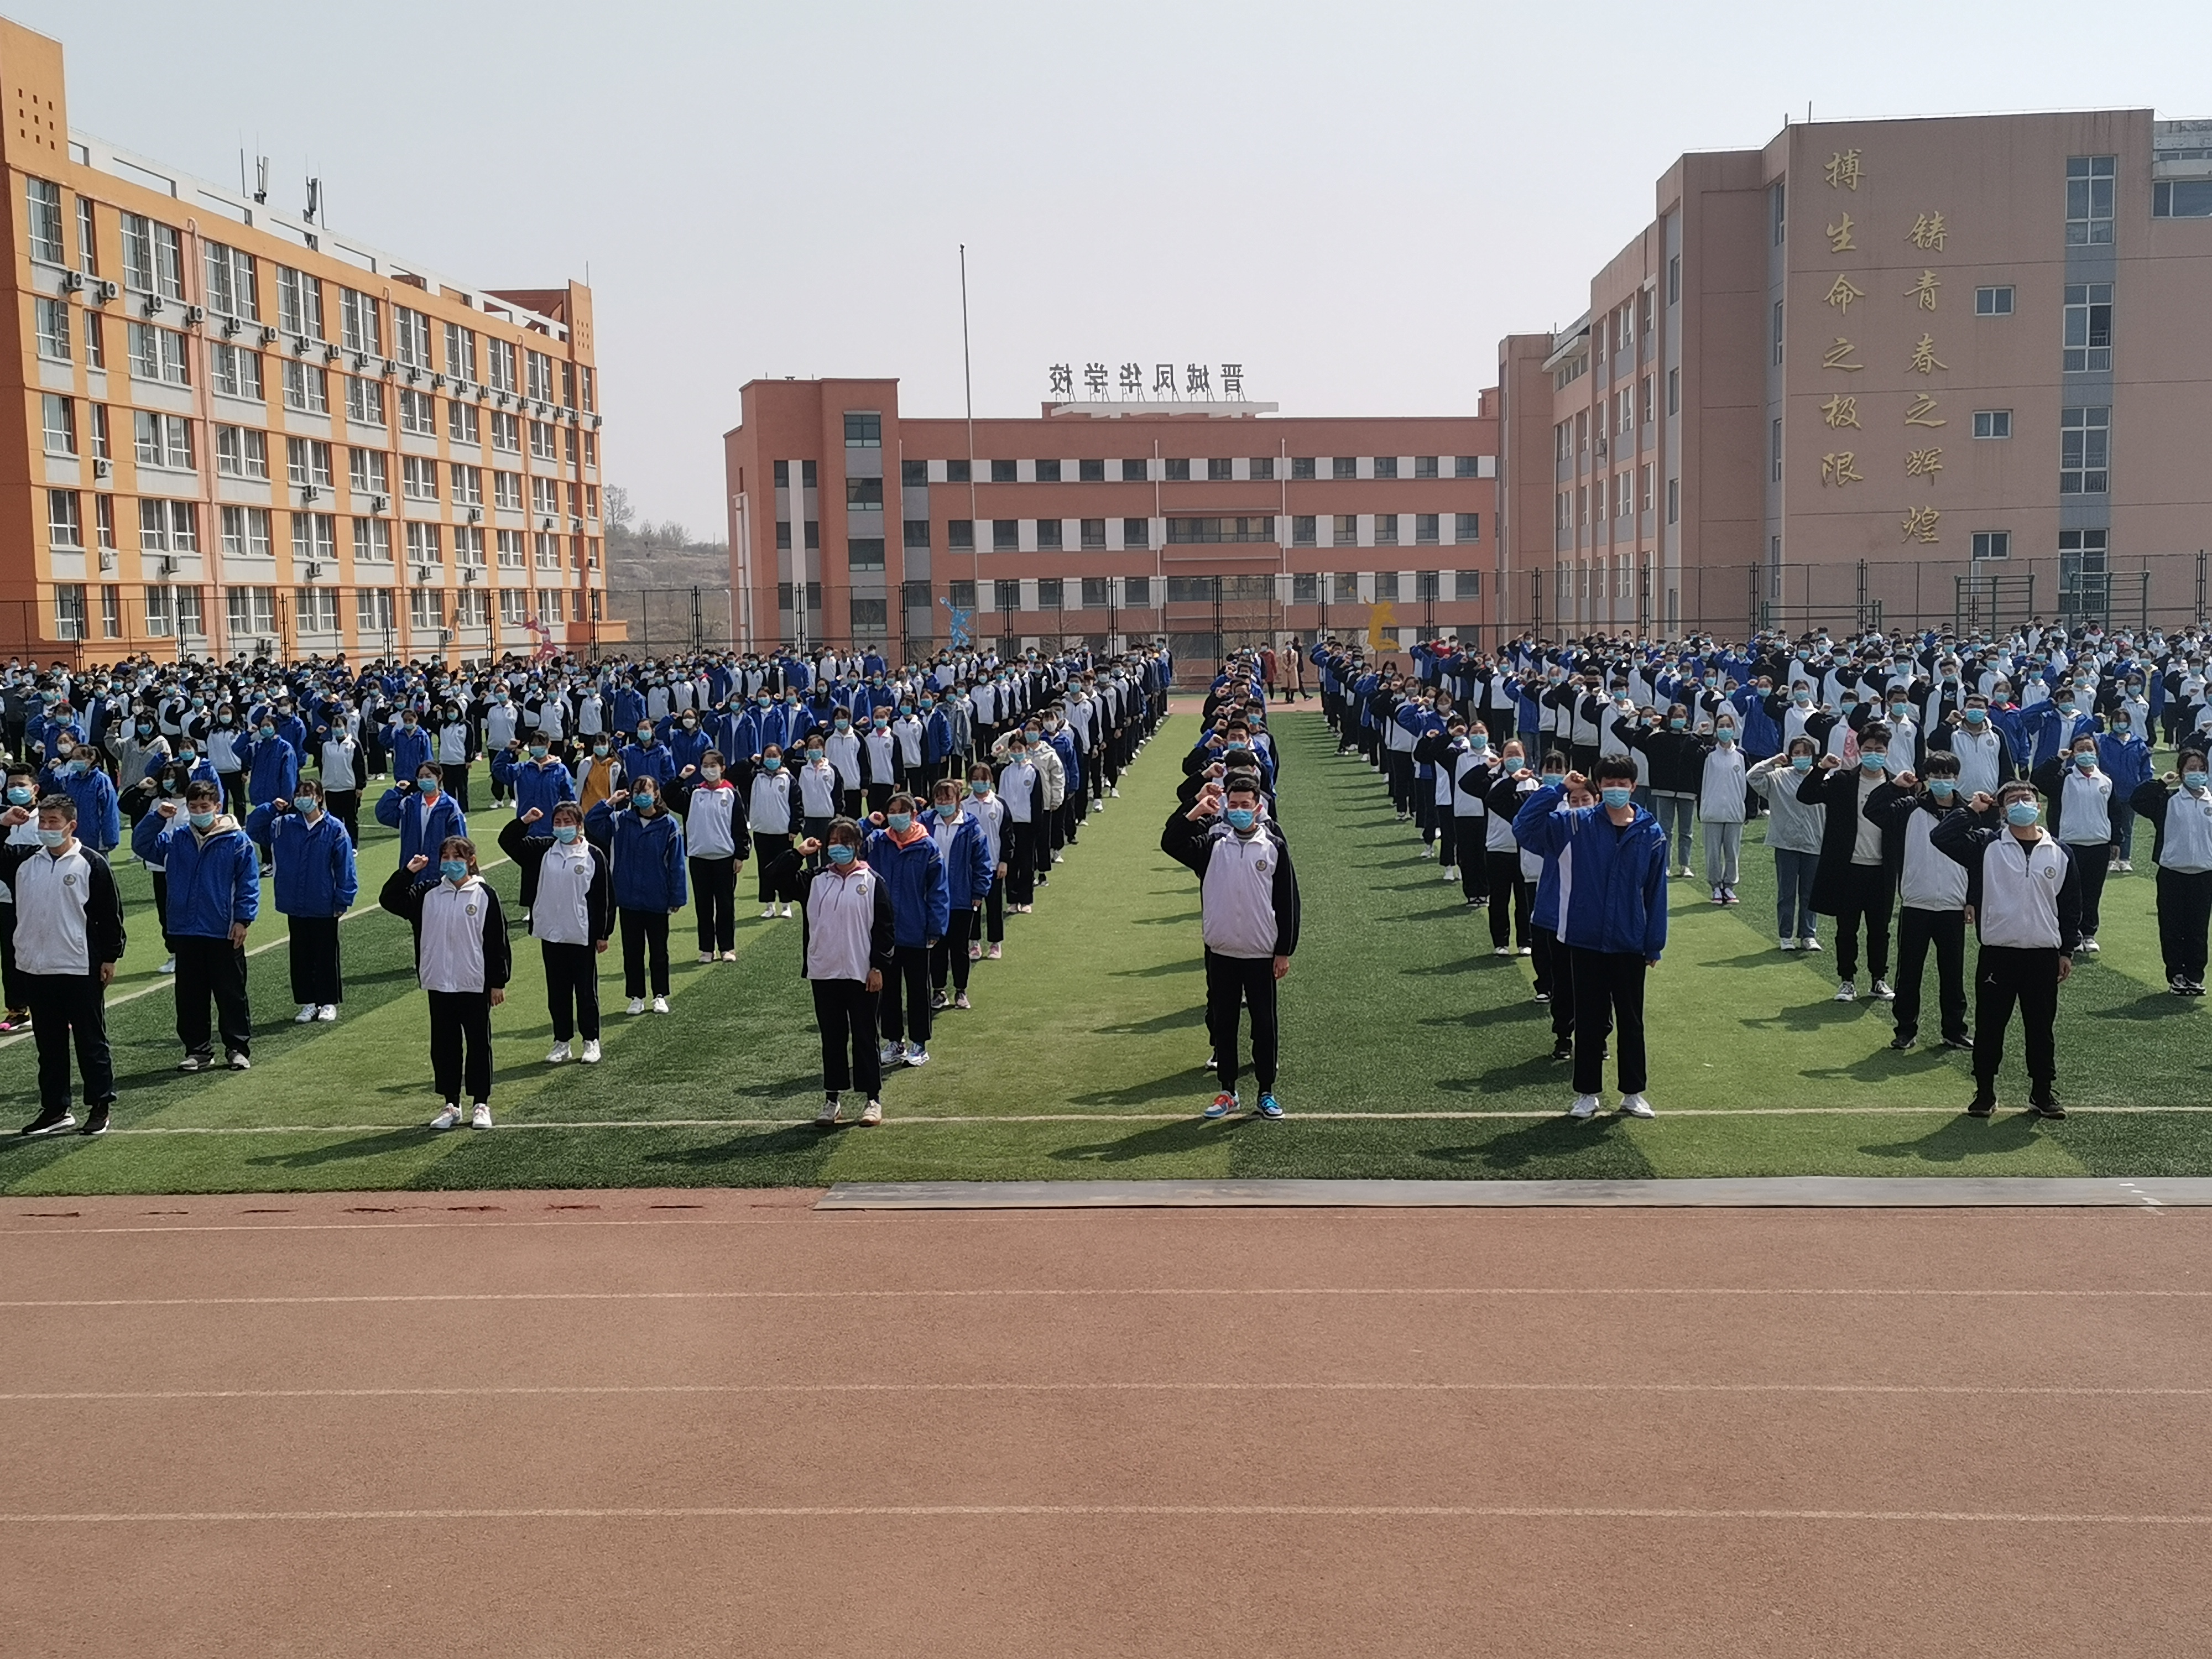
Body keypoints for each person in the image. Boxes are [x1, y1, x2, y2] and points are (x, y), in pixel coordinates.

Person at [1513, 755, 1668, 1119]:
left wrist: (1654, 943)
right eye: (1608, 783)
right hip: (1585, 938)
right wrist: (1557, 789)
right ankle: (1587, 1093)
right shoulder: (1576, 823)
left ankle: (1633, 1093)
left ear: (1633, 786)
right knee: (1588, 1018)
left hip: (1629, 939)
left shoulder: (1650, 831)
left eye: (1622, 783)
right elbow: (1525, 827)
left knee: (1631, 1019)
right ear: (1598, 786)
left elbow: (1656, 892)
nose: (1616, 789)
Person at [1932, 781, 2080, 1119]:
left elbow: (2071, 906)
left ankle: (2042, 1092)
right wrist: (1972, 810)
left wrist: (2067, 951)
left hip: (2043, 954)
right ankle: (1985, 1092)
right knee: (1990, 1027)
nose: (2021, 804)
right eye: (2012, 801)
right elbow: (1941, 837)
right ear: (2002, 811)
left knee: (2041, 1028)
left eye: (2027, 799)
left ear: (2039, 806)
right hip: (1998, 953)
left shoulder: (2060, 852)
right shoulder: (1986, 845)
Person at [1160, 770, 1300, 1120]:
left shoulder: (1273, 846)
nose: (1238, 810)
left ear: (1258, 808)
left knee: (1264, 1025)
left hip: (1260, 952)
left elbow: (1287, 901)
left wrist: (1284, 951)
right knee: (1224, 1024)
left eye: (1245, 805)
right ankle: (1228, 1091)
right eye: (1233, 805)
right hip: (1221, 952)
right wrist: (1195, 809)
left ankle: (1266, 1092)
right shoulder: (1212, 846)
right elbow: (1171, 842)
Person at [0, 792, 125, 1136]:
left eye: (53, 822)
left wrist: (110, 957)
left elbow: (109, 915)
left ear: (72, 825)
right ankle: (56, 1110)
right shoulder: (24, 860)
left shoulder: (91, 863)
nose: (46, 828)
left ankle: (100, 1106)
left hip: (78, 966)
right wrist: (3, 823)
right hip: (36, 968)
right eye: (42, 821)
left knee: (91, 1041)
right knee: (49, 1045)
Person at [765, 817, 895, 1127]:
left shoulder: (872, 881)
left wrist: (878, 967)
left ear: (857, 846)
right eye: (834, 841)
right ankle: (832, 1100)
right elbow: (773, 876)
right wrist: (799, 853)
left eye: (845, 842)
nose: (839, 847)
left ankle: (872, 1100)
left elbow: (885, 930)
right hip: (824, 972)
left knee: (865, 1036)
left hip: (861, 973)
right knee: (832, 1038)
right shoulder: (815, 880)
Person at [380, 837, 511, 1129]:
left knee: (478, 1043)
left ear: (471, 860)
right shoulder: (427, 894)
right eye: (447, 857)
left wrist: (498, 982)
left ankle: (481, 1104)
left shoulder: (485, 895)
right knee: (444, 1046)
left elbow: (497, 942)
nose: (451, 862)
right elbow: (389, 899)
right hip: (439, 982)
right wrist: (408, 872)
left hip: (473, 982)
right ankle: (451, 1105)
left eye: (458, 857)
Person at [133, 779, 259, 1072]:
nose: (200, 811)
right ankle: (198, 1050)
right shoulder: (176, 838)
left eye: (205, 806)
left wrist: (243, 919)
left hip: (223, 930)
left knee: (231, 993)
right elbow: (142, 845)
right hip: (185, 929)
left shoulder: (237, 841)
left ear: (217, 806)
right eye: (194, 806)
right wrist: (156, 818)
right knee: (190, 996)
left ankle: (237, 1048)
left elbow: (248, 883)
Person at [1870, 752, 1971, 1053]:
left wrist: (1973, 899)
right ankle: (1905, 1030)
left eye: (1947, 775)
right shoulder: (1910, 807)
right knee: (1909, 971)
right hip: (1916, 902)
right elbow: (1873, 811)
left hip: (1954, 903)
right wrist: (1895, 786)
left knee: (1952, 973)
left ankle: (1954, 1030)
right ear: (1926, 778)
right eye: (1936, 775)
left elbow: (1980, 860)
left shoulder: (1968, 812)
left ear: (1956, 777)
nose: (1942, 781)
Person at [500, 802, 613, 1065]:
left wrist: (603, 933)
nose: (562, 827)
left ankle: (591, 1040)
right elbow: (508, 842)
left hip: (581, 933)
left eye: (568, 822)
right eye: (558, 822)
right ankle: (562, 1042)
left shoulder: (593, 854)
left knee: (586, 991)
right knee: (558, 992)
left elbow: (605, 897)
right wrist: (525, 821)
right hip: (551, 932)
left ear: (579, 825)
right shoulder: (543, 850)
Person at [245, 779, 359, 1024]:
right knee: (300, 955)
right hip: (294, 902)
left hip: (324, 902)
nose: (302, 798)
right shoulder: (282, 825)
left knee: (325, 954)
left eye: (308, 793)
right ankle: (308, 1003)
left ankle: (328, 1002)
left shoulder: (334, 828)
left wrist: (343, 899)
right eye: (299, 794)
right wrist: (270, 808)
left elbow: (345, 867)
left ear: (319, 797)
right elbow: (253, 830)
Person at [1801, 726, 1901, 1003]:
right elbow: (1806, 795)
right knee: (1847, 929)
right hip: (1848, 868)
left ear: (1887, 752)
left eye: (1879, 750)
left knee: (1880, 930)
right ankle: (1847, 980)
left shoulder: (1894, 786)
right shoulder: (1843, 781)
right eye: (1868, 749)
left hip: (1882, 869)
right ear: (1859, 751)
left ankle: (1879, 980)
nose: (1873, 754)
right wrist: (1821, 768)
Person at [585, 774, 688, 1015]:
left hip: (657, 897)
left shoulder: (669, 824)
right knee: (632, 951)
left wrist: (677, 897)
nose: (642, 796)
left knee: (659, 951)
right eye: (638, 791)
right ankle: (636, 996)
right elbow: (592, 822)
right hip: (628, 897)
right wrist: (610, 802)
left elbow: (677, 865)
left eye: (647, 791)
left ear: (656, 794)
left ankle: (660, 995)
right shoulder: (621, 820)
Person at [863, 794, 950, 1068]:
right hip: (884, 932)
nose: (896, 816)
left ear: (914, 814)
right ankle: (894, 1042)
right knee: (888, 992)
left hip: (916, 931)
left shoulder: (927, 846)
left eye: (902, 811)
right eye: (891, 810)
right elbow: (851, 841)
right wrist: (868, 823)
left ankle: (919, 1044)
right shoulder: (878, 842)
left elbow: (938, 890)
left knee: (917, 991)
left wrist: (935, 928)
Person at [2130, 750, 2212, 996]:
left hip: (2204, 875)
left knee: (2198, 929)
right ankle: (2176, 974)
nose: (2196, 773)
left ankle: (2194, 976)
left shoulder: (2211, 801)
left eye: (2201, 768)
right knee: (2172, 927)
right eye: (2190, 768)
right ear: (2180, 772)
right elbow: (2138, 800)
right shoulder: (2168, 799)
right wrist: (2161, 783)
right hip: (2172, 874)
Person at [2032, 734, 2115, 956]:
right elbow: (2038, 779)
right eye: (2080, 749)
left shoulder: (2106, 780)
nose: (2085, 753)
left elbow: (2113, 812)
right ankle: (2072, 934)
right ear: (2073, 753)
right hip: (2069, 844)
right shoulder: (2063, 778)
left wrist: (2116, 841)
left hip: (2099, 844)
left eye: (2089, 748)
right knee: (2070, 893)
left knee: (2093, 892)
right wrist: (2058, 759)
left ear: (2096, 752)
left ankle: (2089, 933)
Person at [669, 749, 748, 963]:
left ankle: (727, 948)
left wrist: (740, 855)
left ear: (722, 768)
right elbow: (668, 796)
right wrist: (681, 777)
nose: (709, 769)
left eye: (713, 765)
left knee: (725, 905)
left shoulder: (731, 793)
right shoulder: (694, 793)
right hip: (699, 858)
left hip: (725, 858)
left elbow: (740, 826)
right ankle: (706, 949)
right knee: (703, 906)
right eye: (705, 765)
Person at [1747, 738, 1826, 952]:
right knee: (1787, 893)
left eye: (1805, 753)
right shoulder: (1778, 777)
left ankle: (1808, 935)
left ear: (1813, 756)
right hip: (1786, 843)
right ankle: (1786, 935)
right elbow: (1752, 776)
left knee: (1810, 893)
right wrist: (1772, 761)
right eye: (1796, 753)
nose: (1801, 757)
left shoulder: (1823, 778)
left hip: (1814, 842)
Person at [926, 776, 993, 1010]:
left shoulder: (971, 826)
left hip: (962, 897)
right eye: (939, 798)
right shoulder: (926, 823)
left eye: (948, 798)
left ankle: (961, 991)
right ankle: (939, 991)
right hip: (932, 898)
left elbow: (982, 861)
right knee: (936, 947)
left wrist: (979, 891)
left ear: (957, 800)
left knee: (959, 947)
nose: (944, 802)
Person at [738, 744, 800, 919]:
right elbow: (735, 775)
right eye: (768, 756)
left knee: (784, 869)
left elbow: (797, 805)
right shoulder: (756, 777)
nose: (771, 759)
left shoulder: (788, 779)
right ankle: (769, 905)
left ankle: (786, 905)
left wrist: (795, 828)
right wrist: (750, 761)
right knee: (765, 869)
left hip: (783, 832)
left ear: (781, 758)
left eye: (775, 756)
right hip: (762, 831)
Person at [375, 763, 468, 871]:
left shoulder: (450, 805)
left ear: (439, 777)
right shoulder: (409, 804)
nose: (424, 780)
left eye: (428, 776)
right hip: (412, 865)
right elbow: (384, 814)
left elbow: (459, 839)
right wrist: (397, 791)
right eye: (421, 777)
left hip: (439, 866)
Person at [963, 761, 1009, 961]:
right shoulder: (963, 805)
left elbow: (1007, 835)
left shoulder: (999, 804)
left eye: (984, 779)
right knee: (973, 906)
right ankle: (974, 943)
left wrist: (1004, 861)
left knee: (994, 905)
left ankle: (995, 943)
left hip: (993, 864)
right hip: (969, 867)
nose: (980, 782)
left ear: (990, 780)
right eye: (975, 779)